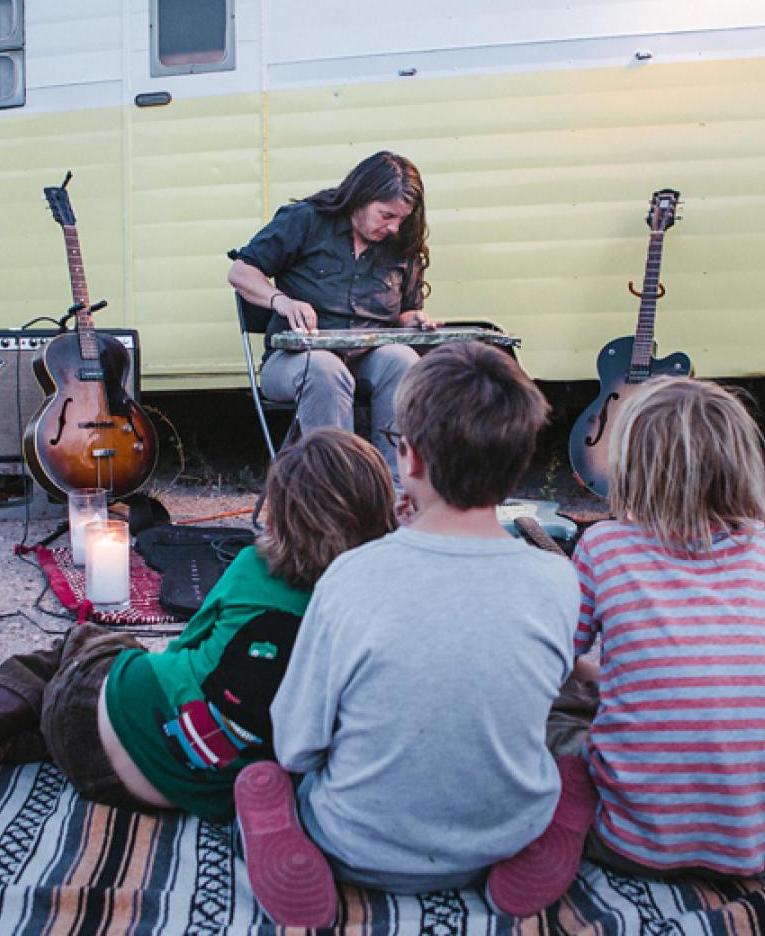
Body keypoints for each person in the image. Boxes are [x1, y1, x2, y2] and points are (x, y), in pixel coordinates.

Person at [0, 429, 394, 825]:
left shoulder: (252, 566)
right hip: (150, 789)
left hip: (91, 720)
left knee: (75, 647)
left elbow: (188, 649)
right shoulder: (367, 608)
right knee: (76, 702)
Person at [231, 343, 582, 926]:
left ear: (410, 460)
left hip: (355, 843)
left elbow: (296, 743)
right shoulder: (556, 580)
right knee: (574, 767)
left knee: (264, 777)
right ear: (518, 461)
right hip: (502, 837)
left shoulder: (352, 577)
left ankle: (281, 839)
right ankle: (545, 840)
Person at [552, 376, 765, 878]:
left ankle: (565, 809)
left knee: (550, 708)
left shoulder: (602, 546)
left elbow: (556, 663)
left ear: (630, 465)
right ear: (739, 463)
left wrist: (605, 676)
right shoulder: (761, 543)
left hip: (631, 840)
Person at [227, 151, 436, 483]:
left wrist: (415, 321)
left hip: (368, 357)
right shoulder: (305, 220)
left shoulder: (400, 244)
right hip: (294, 359)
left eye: (401, 218)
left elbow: (405, 312)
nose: (394, 227)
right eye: (386, 215)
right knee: (325, 369)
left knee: (404, 360)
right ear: (361, 198)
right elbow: (240, 273)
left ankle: (395, 490)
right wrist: (281, 301)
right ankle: (338, 491)